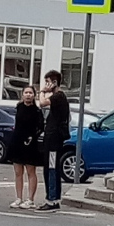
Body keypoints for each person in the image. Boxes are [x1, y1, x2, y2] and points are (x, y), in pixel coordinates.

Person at [7, 85, 45, 209]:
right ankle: (19, 198)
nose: (28, 95)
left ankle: (30, 199)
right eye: (26, 92)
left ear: (34, 95)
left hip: (30, 143)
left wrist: (32, 137)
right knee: (18, 172)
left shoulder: (37, 110)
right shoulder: (19, 107)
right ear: (22, 94)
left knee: (30, 171)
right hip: (17, 141)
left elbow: (40, 127)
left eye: (30, 93)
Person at [39, 70, 69, 211]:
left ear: (55, 83)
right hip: (52, 138)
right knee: (50, 168)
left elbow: (42, 103)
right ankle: (53, 198)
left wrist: (42, 92)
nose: (46, 85)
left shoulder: (58, 96)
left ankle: (52, 199)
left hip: (54, 140)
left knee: (51, 168)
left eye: (48, 82)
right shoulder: (59, 98)